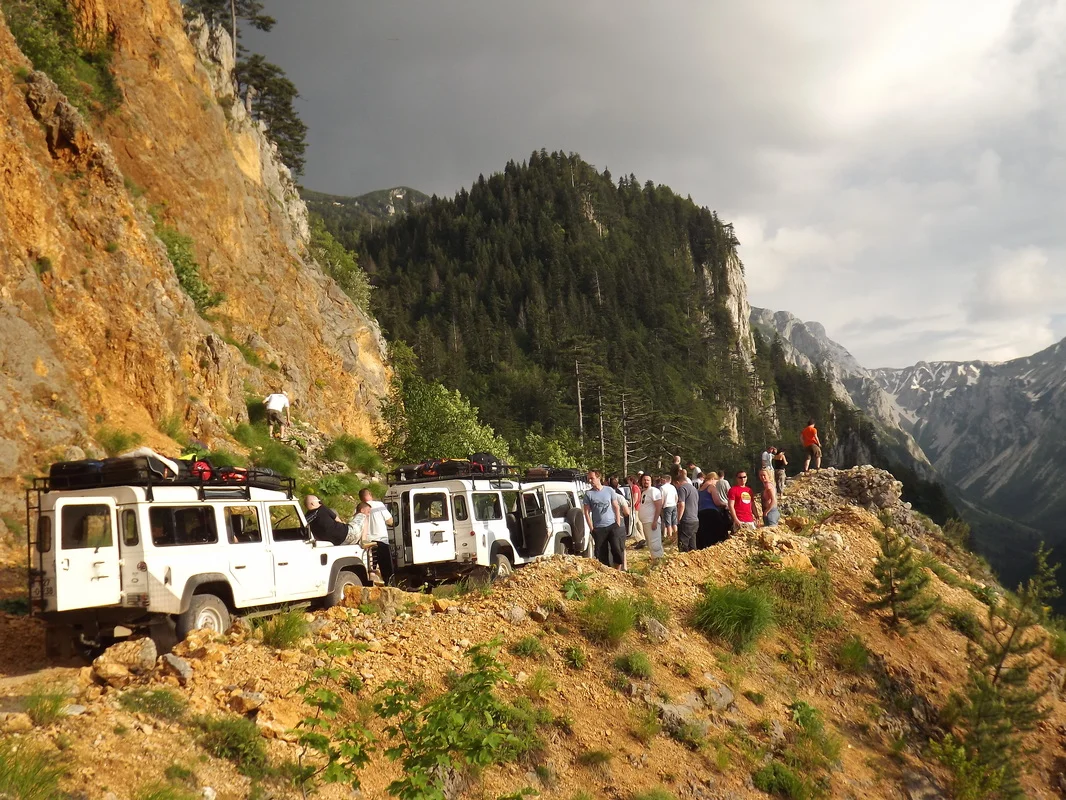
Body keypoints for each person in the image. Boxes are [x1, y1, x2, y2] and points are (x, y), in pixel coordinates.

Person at [583, 470, 624, 570]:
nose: (590, 481)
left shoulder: (609, 490)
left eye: (592, 478)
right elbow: (586, 512)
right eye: (589, 479)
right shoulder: (588, 494)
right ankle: (606, 573)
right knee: (601, 554)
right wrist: (592, 528)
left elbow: (616, 506)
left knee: (617, 550)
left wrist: (617, 523)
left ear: (598, 478)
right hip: (598, 528)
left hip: (612, 525)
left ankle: (617, 571)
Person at [358, 488, 394, 585]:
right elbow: (390, 521)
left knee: (370, 570)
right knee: (387, 570)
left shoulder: (360, 507)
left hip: (367, 543)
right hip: (381, 541)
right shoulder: (379, 505)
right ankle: (389, 585)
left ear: (360, 498)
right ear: (370, 494)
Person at [636, 473, 664, 558]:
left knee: (655, 545)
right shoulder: (644, 492)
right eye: (644, 480)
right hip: (646, 522)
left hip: (652, 521)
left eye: (648, 480)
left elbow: (658, 506)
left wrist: (655, 521)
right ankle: (654, 559)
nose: (646, 481)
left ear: (651, 481)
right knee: (650, 544)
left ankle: (658, 560)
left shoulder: (654, 491)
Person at [674, 468, 700, 552]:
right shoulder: (694, 489)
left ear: (678, 482)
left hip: (686, 520)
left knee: (683, 544)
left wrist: (678, 519)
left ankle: (683, 558)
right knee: (692, 545)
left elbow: (681, 504)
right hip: (694, 520)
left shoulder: (682, 488)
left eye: (676, 485)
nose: (676, 487)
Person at [696, 473, 721, 548]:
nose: (716, 484)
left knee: (704, 534)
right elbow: (717, 502)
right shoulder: (711, 487)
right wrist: (725, 504)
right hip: (711, 513)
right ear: (712, 479)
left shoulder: (699, 489)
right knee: (713, 535)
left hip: (701, 513)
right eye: (716, 481)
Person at [659, 472, 679, 544]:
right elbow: (676, 497)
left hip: (667, 505)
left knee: (668, 523)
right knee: (674, 522)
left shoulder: (662, 487)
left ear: (664, 480)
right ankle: (676, 536)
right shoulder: (673, 487)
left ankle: (670, 537)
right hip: (673, 505)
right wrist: (675, 503)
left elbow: (662, 498)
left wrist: (661, 507)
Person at [627, 475, 646, 548]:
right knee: (638, 524)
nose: (628, 482)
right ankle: (643, 538)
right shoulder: (636, 487)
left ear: (631, 480)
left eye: (628, 480)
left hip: (635, 508)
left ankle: (640, 539)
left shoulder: (634, 487)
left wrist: (631, 506)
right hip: (637, 508)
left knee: (632, 525)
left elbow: (635, 498)